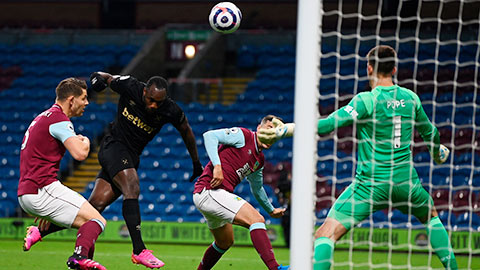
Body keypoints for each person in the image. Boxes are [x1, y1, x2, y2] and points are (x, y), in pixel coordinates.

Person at [258, 45, 458, 270]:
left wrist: (287, 129)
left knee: (325, 234)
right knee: (431, 216)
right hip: (406, 183)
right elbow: (430, 133)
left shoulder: (366, 100)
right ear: (394, 69)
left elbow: (327, 126)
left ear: (369, 68)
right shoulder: (411, 98)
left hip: (370, 185)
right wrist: (437, 152)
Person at [25, 72, 204, 269]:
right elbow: (105, 77)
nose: (153, 105)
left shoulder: (171, 110)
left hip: (131, 156)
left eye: (158, 103)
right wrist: (96, 80)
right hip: (113, 146)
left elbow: (186, 130)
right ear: (144, 91)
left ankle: (40, 232)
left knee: (95, 207)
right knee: (132, 187)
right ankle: (139, 250)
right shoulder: (130, 86)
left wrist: (196, 162)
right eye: (150, 100)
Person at [18, 78, 108, 270]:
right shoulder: (59, 119)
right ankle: (78, 258)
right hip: (41, 188)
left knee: (87, 225)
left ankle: (78, 257)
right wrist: (85, 142)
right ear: (71, 100)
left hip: (31, 190)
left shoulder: (43, 117)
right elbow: (80, 154)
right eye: (83, 98)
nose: (87, 102)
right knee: (97, 220)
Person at [193, 115, 290, 270]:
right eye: (270, 128)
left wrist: (271, 210)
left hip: (213, 196)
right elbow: (209, 136)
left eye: (276, 132)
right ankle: (275, 268)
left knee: (225, 242)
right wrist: (217, 167)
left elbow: (257, 188)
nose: (272, 134)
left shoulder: (259, 160)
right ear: (259, 128)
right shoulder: (243, 135)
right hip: (210, 191)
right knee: (256, 219)